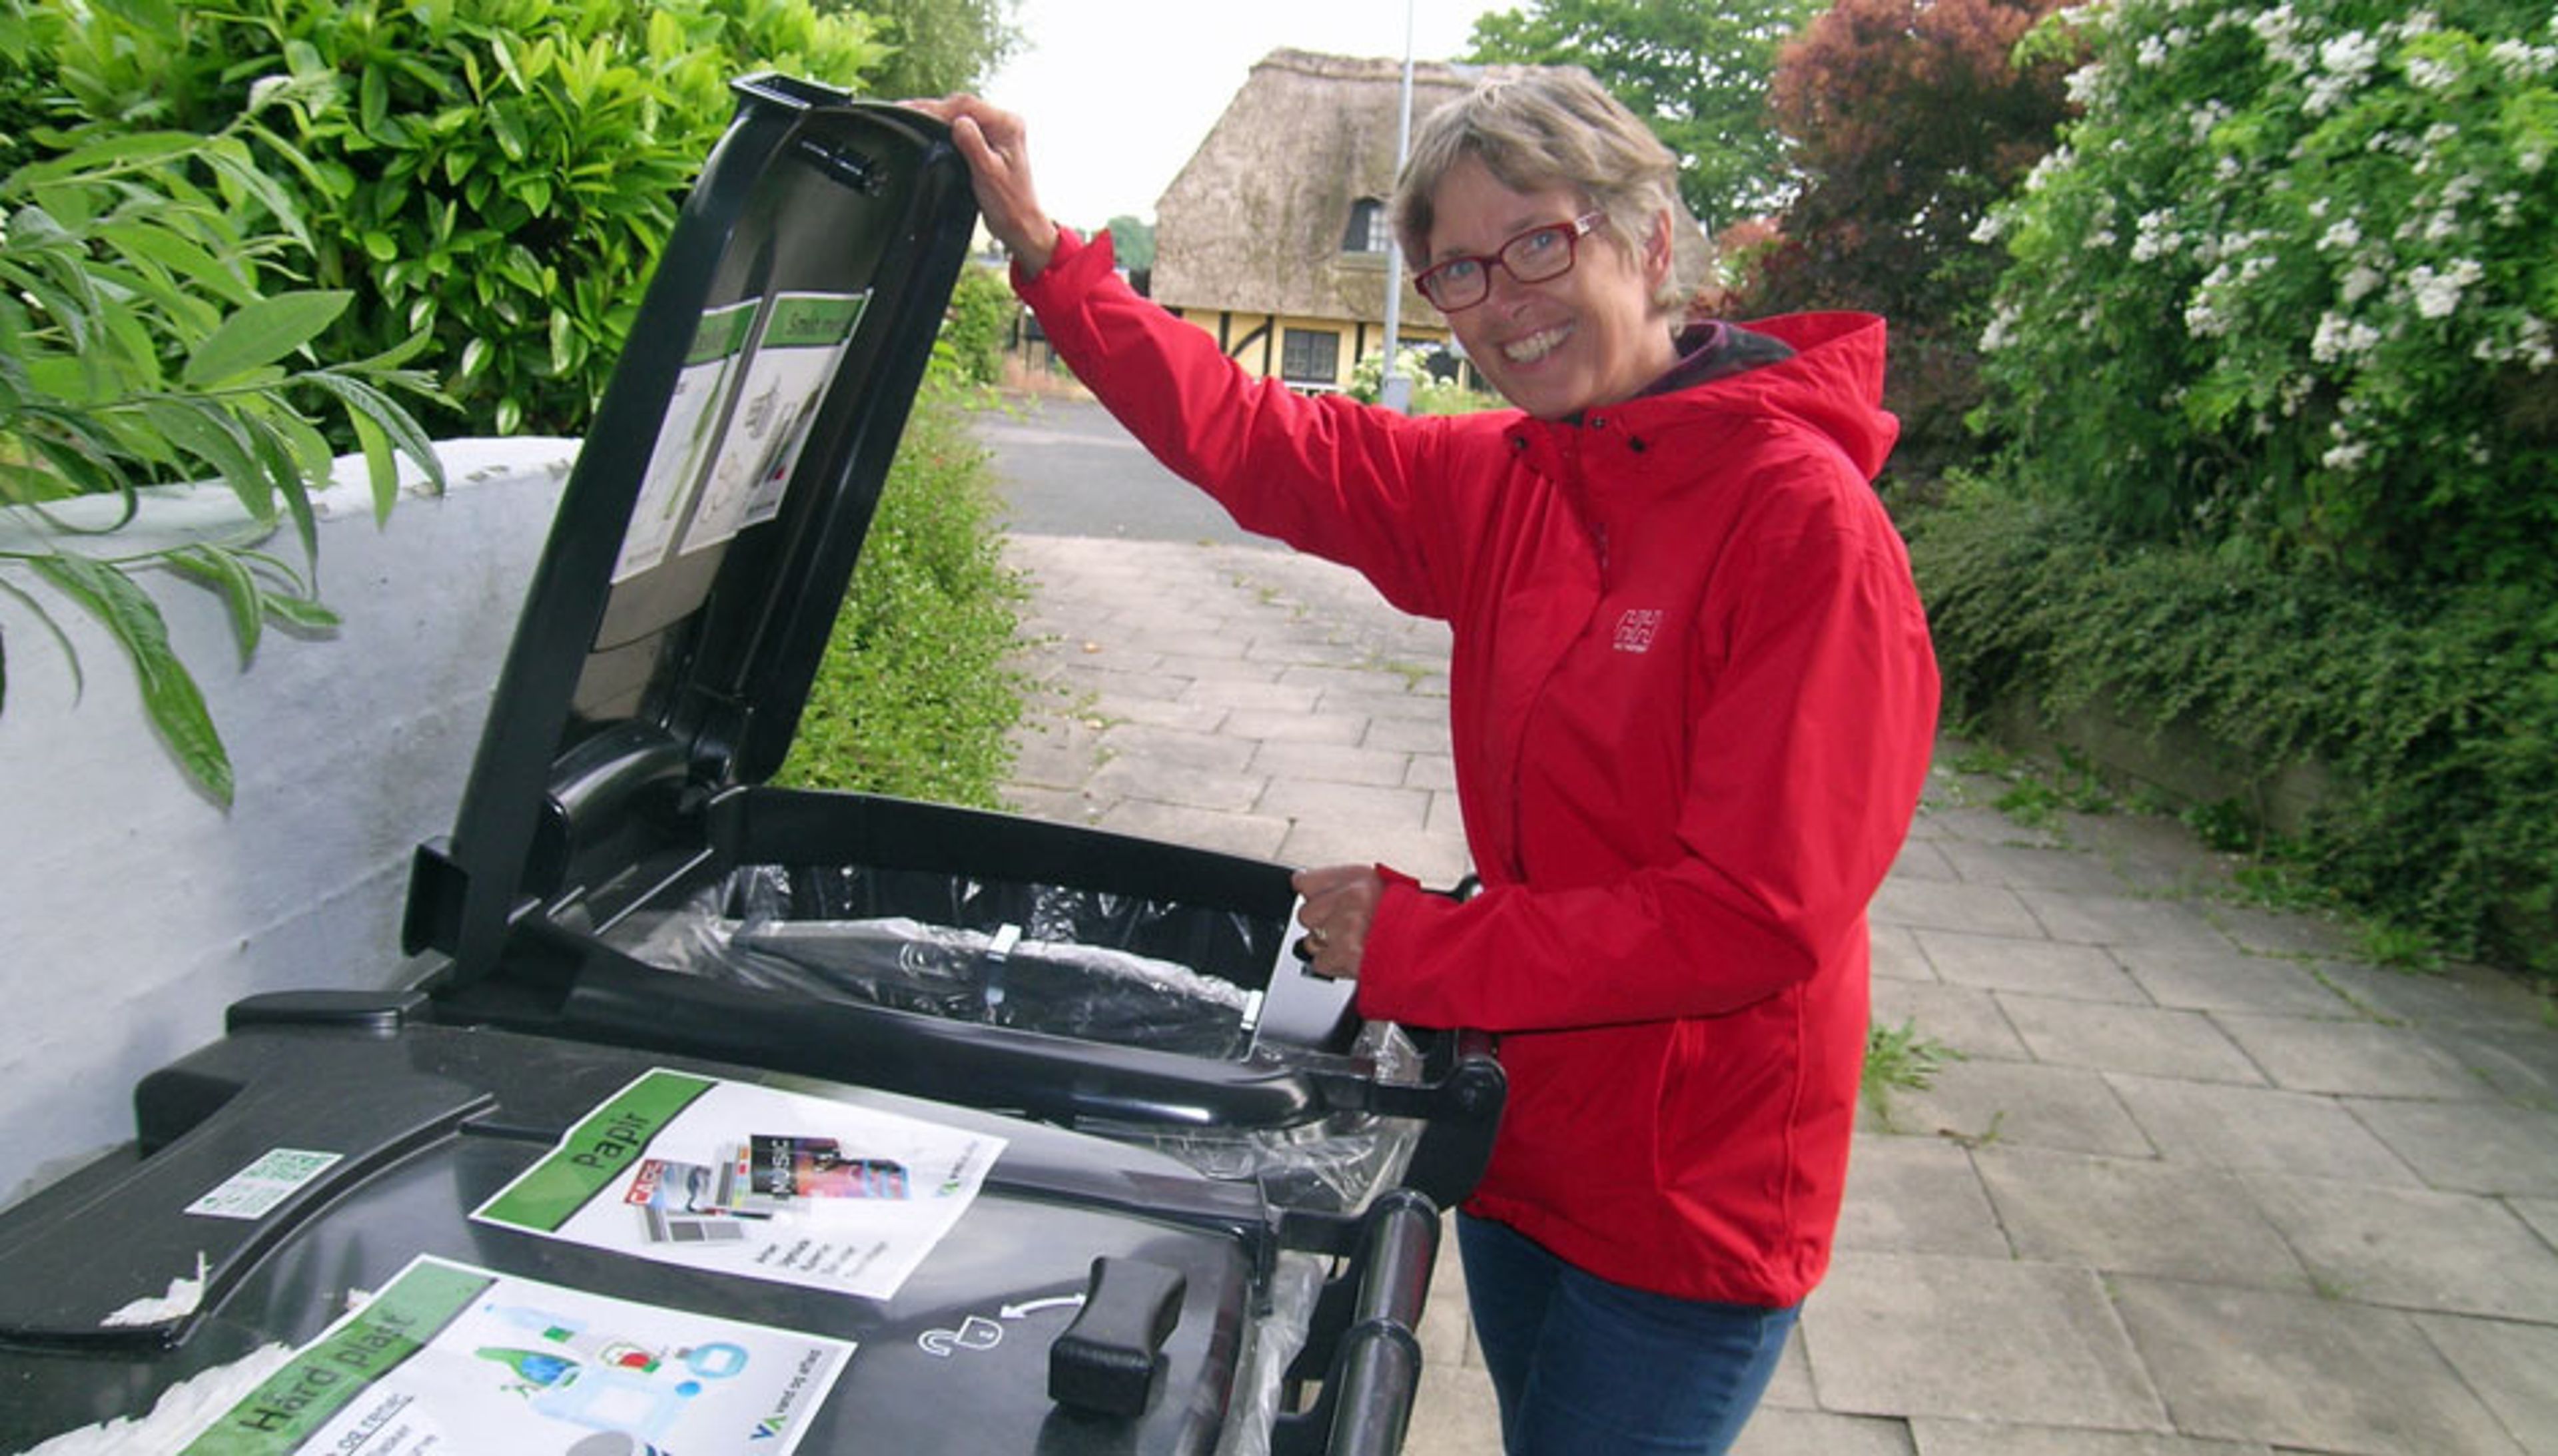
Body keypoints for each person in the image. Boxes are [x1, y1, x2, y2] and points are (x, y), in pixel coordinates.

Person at [911, 68, 1939, 1456]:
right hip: (1522, 1140)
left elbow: (1753, 913)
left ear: (1646, 239)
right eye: (1458, 270)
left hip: (1690, 1197)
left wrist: (1424, 950)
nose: (1505, 302)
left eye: (1539, 244)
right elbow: (1261, 437)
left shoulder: (1803, 528)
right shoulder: (1519, 475)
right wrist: (1053, 263)